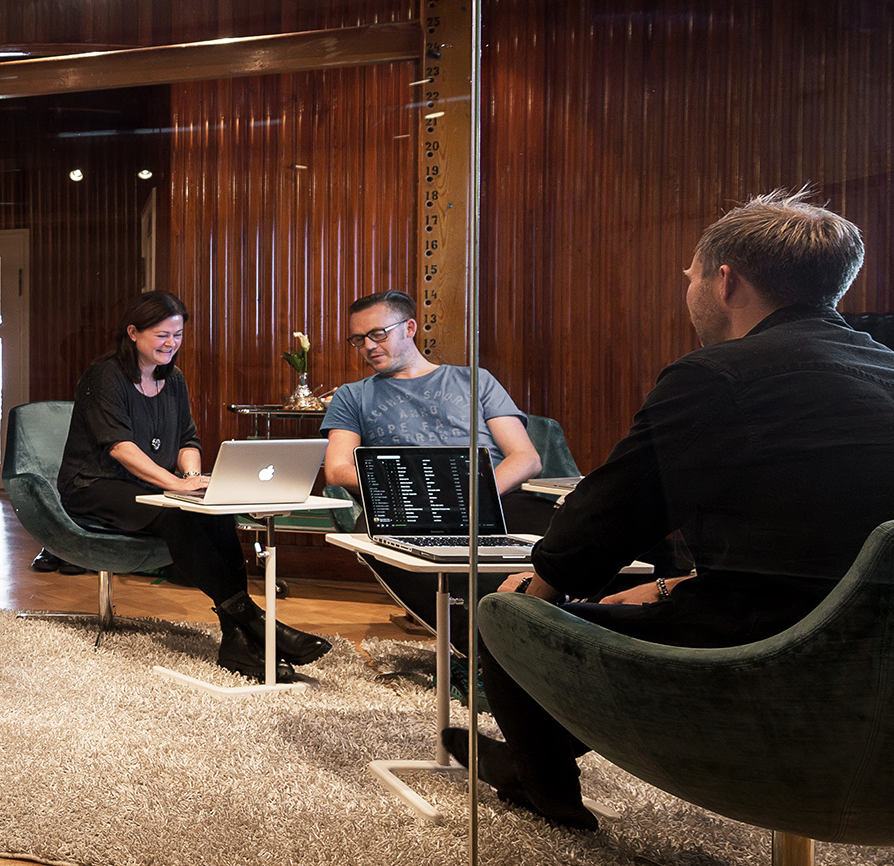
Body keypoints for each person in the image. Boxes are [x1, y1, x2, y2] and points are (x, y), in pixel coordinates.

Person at [464, 190, 894, 830]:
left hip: (788, 669)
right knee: (643, 604)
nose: (688, 290)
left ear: (724, 282)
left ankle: (545, 789)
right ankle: (533, 755)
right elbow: (843, 540)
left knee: (505, 618)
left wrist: (542, 585)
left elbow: (607, 517)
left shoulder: (716, 376)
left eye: (689, 276)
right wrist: (671, 586)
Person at [55, 291, 332, 675]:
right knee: (177, 516)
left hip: (149, 484)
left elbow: (187, 440)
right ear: (133, 333)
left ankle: (237, 642)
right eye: (161, 335)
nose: (171, 343)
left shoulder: (174, 379)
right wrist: (173, 484)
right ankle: (259, 624)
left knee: (215, 512)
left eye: (178, 335)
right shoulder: (105, 376)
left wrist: (191, 479)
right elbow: (119, 447)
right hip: (94, 485)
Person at [319, 289, 546, 629]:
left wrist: (470, 498)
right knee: (370, 536)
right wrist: (413, 491)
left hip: (494, 500)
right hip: (406, 508)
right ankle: (471, 641)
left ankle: (554, 619)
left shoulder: (475, 380)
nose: (368, 346)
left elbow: (526, 457)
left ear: (409, 328)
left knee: (569, 528)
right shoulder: (353, 396)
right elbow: (337, 471)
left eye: (378, 334)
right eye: (358, 339)